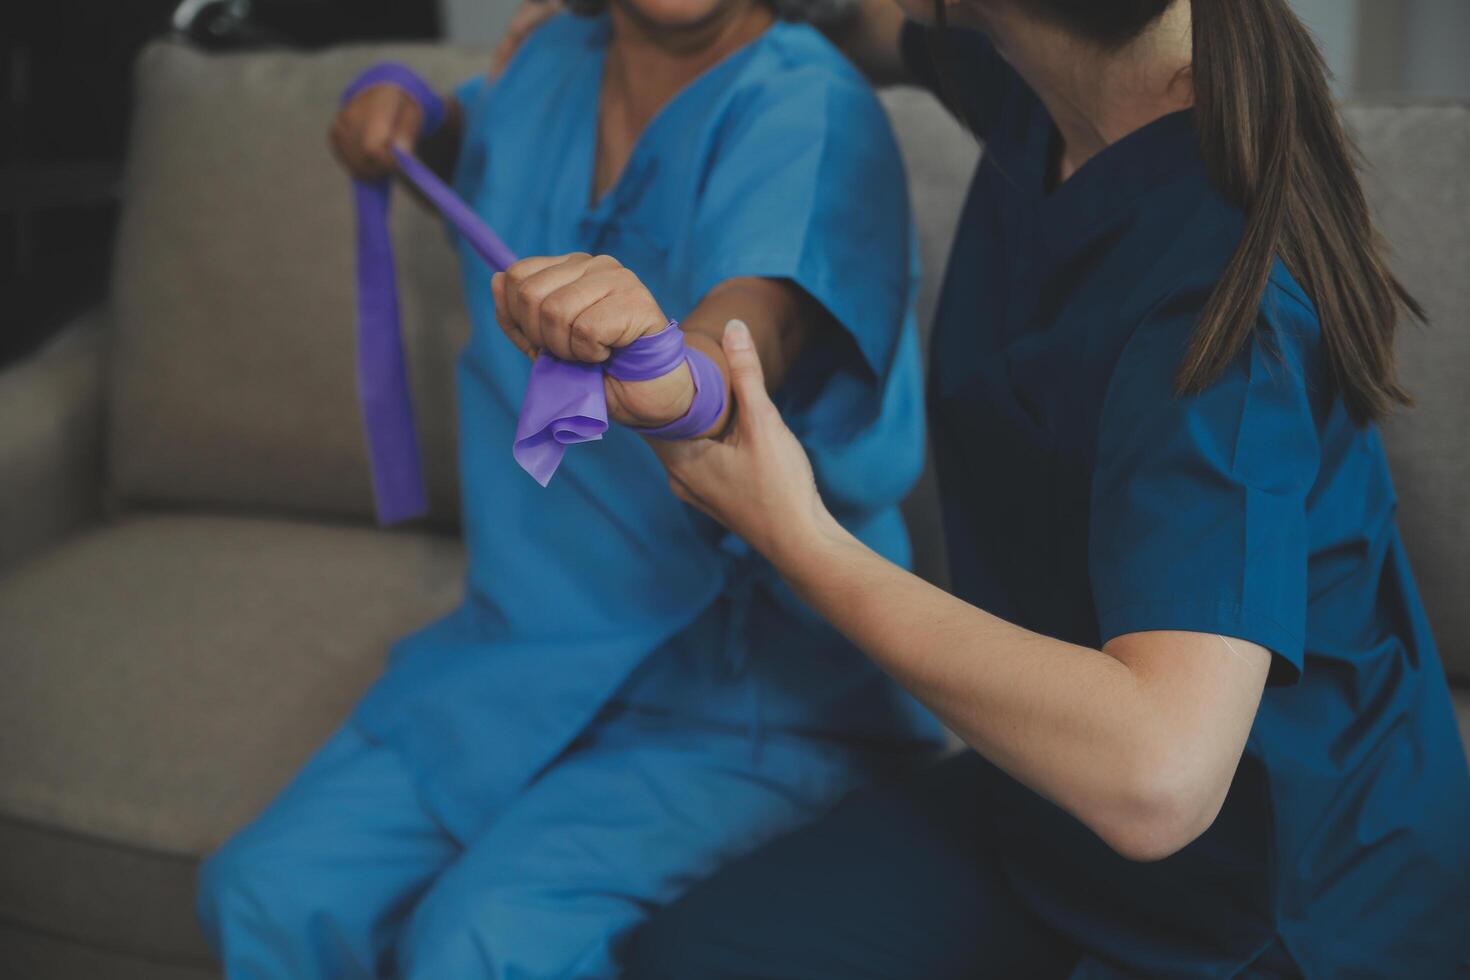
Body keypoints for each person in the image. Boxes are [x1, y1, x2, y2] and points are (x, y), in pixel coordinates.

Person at [488, 0, 1470, 976]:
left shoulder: (1216, 297)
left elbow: (1158, 776)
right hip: (1044, 815)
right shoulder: (1045, 84)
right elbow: (863, 20)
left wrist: (798, 533)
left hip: (1282, 906)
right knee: (693, 957)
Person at [193, 0, 944, 976]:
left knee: (475, 946)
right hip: (526, 652)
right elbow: (484, 145)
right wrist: (412, 108)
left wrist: (669, 362)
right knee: (267, 891)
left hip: (743, 698)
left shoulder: (809, 107)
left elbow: (752, 336)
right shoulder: (547, 61)